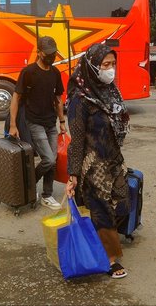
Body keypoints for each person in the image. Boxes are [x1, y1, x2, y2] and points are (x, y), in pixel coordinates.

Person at [65, 44, 130, 279]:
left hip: (113, 159)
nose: (110, 70)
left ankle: (101, 239)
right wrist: (73, 174)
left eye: (113, 64)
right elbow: (77, 141)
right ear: (92, 66)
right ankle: (110, 259)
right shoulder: (79, 100)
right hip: (94, 166)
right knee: (102, 210)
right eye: (105, 65)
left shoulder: (109, 90)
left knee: (123, 203)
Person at [9, 36, 66, 210]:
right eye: (48, 53)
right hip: (34, 122)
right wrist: (13, 124)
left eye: (54, 53)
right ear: (39, 53)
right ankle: (29, 184)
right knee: (48, 159)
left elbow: (58, 99)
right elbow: (16, 97)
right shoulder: (28, 72)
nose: (51, 56)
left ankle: (47, 195)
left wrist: (62, 121)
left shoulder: (55, 73)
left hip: (51, 122)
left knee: (53, 160)